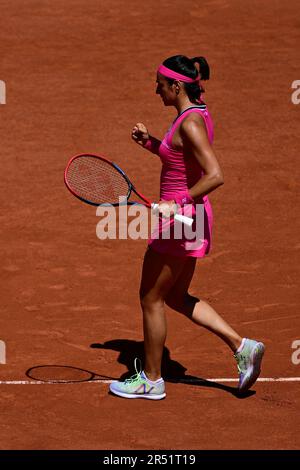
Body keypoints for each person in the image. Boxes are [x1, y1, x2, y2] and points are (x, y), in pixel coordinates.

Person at [109, 55, 265, 400]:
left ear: (176, 86)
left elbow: (215, 175)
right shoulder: (195, 113)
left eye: (160, 84)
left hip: (180, 221)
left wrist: (175, 202)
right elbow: (181, 159)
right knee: (176, 296)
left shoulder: (189, 124)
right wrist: (151, 143)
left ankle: (151, 379)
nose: (156, 90)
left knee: (151, 298)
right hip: (190, 220)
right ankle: (243, 346)